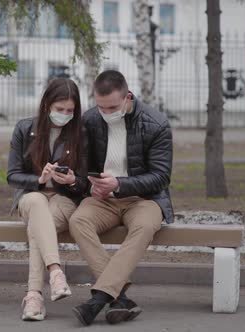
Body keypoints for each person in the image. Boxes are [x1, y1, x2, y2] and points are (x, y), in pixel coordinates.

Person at [69, 70, 173, 326]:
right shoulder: (90, 120)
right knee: (78, 220)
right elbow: (82, 169)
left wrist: (120, 184)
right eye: (101, 107)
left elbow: (161, 177)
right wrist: (88, 186)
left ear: (128, 97)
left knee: (145, 225)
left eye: (113, 107)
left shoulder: (156, 123)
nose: (106, 112)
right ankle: (119, 298)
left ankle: (98, 299)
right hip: (103, 199)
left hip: (144, 199)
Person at [7, 78, 87, 321]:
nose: (65, 114)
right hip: (31, 197)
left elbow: (85, 181)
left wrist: (72, 180)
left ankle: (33, 296)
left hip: (64, 199)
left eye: (70, 111)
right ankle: (55, 271)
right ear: (46, 105)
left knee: (38, 229)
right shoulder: (24, 129)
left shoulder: (81, 134)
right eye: (60, 109)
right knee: (38, 204)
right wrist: (39, 180)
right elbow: (12, 176)